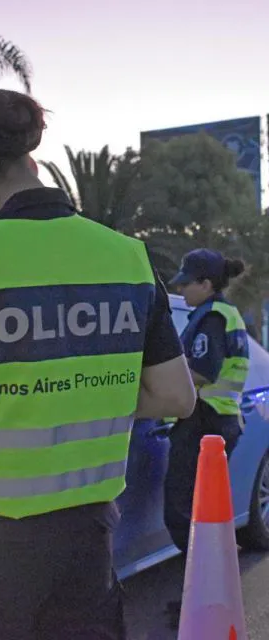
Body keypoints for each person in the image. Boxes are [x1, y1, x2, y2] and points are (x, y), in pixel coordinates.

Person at [0, 88, 195, 640]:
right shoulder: (126, 258)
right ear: (30, 163)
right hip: (84, 542)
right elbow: (176, 396)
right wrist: (78, 388)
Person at [163, 248, 249, 625]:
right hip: (217, 422)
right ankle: (204, 589)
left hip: (205, 423)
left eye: (187, 283)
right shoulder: (221, 314)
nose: (181, 290)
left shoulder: (212, 317)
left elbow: (200, 372)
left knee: (182, 513)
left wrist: (155, 386)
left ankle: (204, 592)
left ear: (206, 283)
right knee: (200, 514)